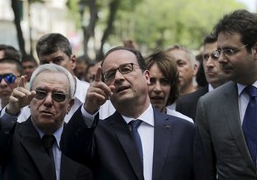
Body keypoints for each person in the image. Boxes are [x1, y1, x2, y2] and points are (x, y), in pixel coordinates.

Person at [61, 46, 209, 180]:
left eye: (126, 69)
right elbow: (70, 148)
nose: (118, 77)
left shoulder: (184, 130)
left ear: (146, 77)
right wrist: (88, 109)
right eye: (111, 74)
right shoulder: (97, 134)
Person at [196, 9, 257, 179]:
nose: (221, 59)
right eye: (219, 51)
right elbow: (204, 171)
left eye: (230, 51)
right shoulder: (208, 105)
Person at [0, 64, 92, 179]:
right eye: (40, 93)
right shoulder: (10, 138)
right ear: (29, 98)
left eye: (58, 96)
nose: (48, 101)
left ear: (69, 105)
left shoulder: (82, 142)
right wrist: (11, 111)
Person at [176, 33, 229, 121]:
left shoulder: (242, 97)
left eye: (215, 56)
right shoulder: (186, 104)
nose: (209, 64)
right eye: (205, 57)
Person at [145, 50, 193, 122]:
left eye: (164, 82)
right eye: (151, 81)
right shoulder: (129, 124)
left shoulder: (184, 124)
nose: (158, 89)